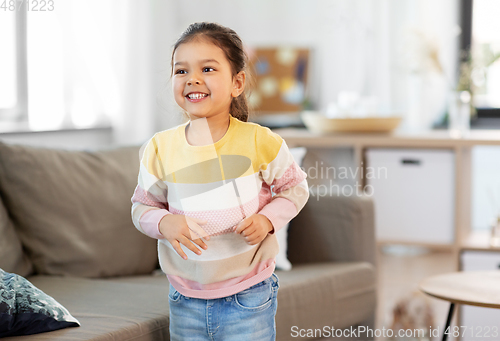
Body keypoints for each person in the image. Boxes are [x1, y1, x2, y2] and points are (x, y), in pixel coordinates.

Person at [131, 22, 309, 341]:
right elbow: (142, 208)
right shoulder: (159, 147)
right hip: (185, 298)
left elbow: (294, 189)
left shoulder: (260, 141)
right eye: (181, 71)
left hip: (249, 295)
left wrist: (268, 220)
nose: (193, 79)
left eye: (208, 68)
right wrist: (164, 222)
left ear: (237, 83)